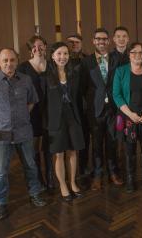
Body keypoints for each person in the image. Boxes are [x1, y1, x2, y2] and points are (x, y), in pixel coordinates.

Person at [0, 48, 46, 220]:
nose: (9, 63)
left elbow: (31, 102)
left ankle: (35, 193)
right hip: (0, 133)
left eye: (12, 60)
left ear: (17, 61)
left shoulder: (26, 80)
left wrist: (20, 117)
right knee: (1, 171)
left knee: (30, 165)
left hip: (23, 130)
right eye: (5, 60)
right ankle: (1, 203)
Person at [81, 28, 124, 190]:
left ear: (109, 41)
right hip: (95, 110)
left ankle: (113, 172)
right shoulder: (86, 62)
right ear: (93, 41)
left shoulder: (117, 59)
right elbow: (83, 88)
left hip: (113, 109)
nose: (101, 42)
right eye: (98, 39)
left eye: (104, 39)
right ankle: (98, 174)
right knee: (97, 144)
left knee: (112, 142)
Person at [113, 42, 142, 193]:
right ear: (128, 54)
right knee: (129, 149)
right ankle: (130, 178)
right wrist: (130, 114)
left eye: (141, 52)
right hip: (128, 116)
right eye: (134, 52)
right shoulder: (121, 71)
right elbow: (116, 95)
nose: (137, 55)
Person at [45, 42, 85, 202]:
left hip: (72, 116)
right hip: (55, 119)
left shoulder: (74, 73)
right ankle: (62, 184)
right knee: (59, 153)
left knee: (73, 151)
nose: (62, 57)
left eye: (66, 54)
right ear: (53, 56)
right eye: (59, 54)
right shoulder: (46, 76)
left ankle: (73, 182)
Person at [17, 35, 54, 190]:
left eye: (40, 46)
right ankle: (39, 179)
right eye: (34, 47)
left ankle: (51, 179)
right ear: (30, 50)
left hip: (51, 111)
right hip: (32, 112)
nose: (38, 49)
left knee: (49, 146)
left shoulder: (52, 64)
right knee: (34, 148)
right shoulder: (23, 68)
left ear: (45, 46)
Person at [66, 33, 90, 178]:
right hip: (69, 103)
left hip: (85, 103)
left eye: (77, 42)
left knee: (85, 137)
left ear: (81, 44)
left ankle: (84, 166)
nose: (74, 45)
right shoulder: (62, 59)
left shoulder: (87, 59)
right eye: (71, 42)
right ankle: (71, 171)